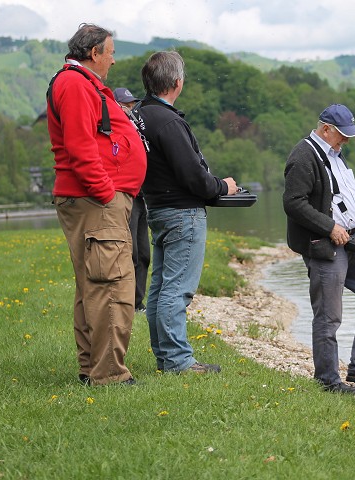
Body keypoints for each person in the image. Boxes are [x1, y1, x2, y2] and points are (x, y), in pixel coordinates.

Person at [46, 24, 147, 386]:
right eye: (111, 51)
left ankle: (94, 368)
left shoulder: (81, 83)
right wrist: (106, 192)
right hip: (95, 200)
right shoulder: (74, 84)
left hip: (95, 199)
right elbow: (79, 146)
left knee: (95, 282)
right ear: (93, 53)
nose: (114, 59)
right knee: (112, 285)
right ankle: (108, 374)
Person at [283, 104, 355, 396]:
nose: (346, 140)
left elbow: (341, 198)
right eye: (342, 135)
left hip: (354, 242)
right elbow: (294, 203)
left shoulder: (336, 154)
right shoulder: (303, 155)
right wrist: (329, 227)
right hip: (325, 247)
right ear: (326, 129)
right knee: (328, 316)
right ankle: (328, 381)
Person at [137, 50, 238, 374]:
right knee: (176, 290)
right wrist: (222, 187)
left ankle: (166, 358)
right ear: (177, 83)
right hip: (182, 214)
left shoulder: (139, 116)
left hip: (157, 209)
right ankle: (179, 362)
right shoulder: (168, 121)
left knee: (160, 288)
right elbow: (193, 175)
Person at [114, 87, 150, 313]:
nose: (131, 109)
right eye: (126, 105)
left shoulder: (137, 128)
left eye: (131, 104)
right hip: (127, 195)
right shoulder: (118, 129)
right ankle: (128, 303)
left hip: (142, 196)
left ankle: (138, 303)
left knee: (144, 254)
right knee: (132, 252)